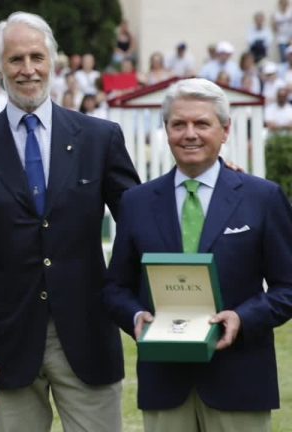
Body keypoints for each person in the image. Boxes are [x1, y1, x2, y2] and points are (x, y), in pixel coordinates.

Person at [0, 11, 139, 432]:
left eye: (36, 57)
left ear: (53, 62)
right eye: (15, 60)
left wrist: (202, 177)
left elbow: (141, 219)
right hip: (5, 343)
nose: (27, 69)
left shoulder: (100, 139)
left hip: (88, 332)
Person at [103, 77, 292, 432]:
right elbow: (115, 288)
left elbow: (288, 287)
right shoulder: (137, 202)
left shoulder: (262, 198)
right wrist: (136, 316)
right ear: (167, 131)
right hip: (164, 384)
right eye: (179, 124)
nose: (190, 134)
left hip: (240, 380)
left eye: (201, 123)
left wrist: (243, 317)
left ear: (225, 131)